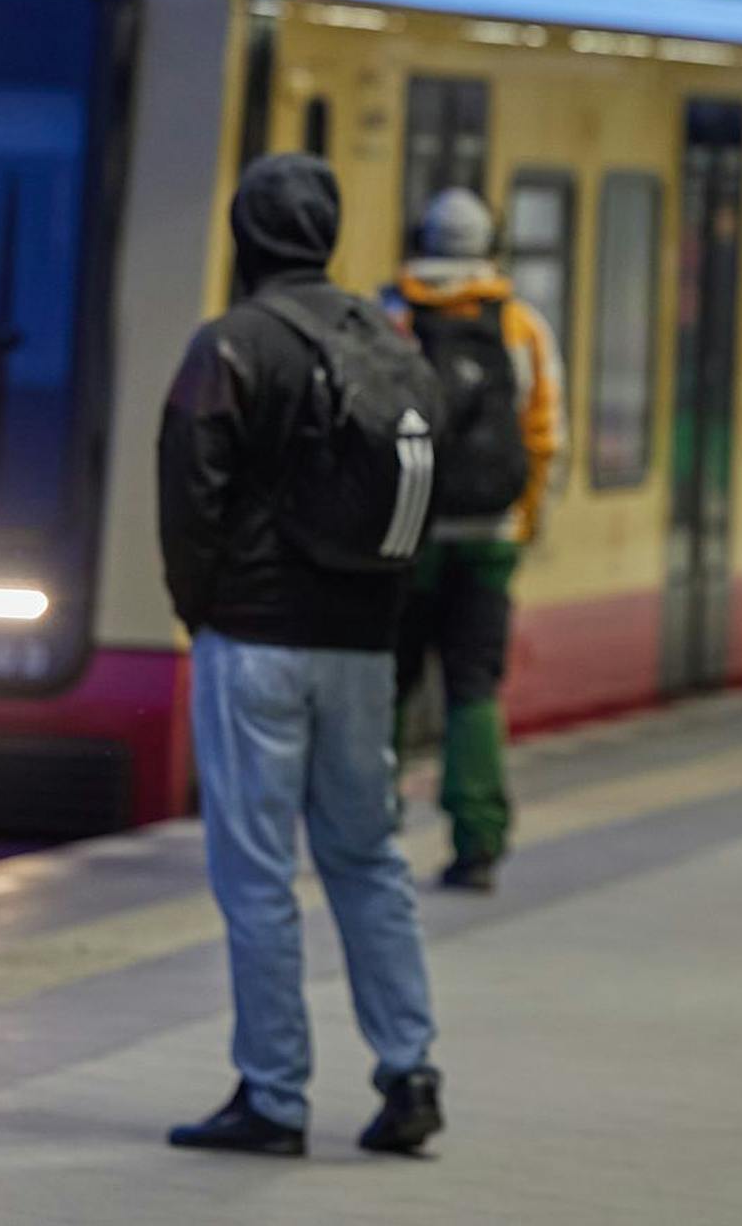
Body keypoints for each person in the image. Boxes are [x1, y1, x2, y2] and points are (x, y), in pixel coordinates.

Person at [158, 152, 445, 1159]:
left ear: (244, 234)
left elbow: (188, 501)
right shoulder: (386, 337)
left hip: (256, 639)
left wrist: (204, 612)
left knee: (256, 874)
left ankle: (274, 1094)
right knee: (367, 856)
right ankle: (408, 1071)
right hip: (361, 642)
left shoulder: (230, 347)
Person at [387, 187, 565, 892]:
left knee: (388, 684)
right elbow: (547, 439)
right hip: (490, 537)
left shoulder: (392, 317)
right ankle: (478, 841)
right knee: (474, 689)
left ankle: (370, 829)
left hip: (407, 535)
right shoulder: (521, 326)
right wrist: (523, 523)